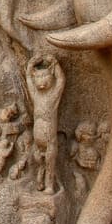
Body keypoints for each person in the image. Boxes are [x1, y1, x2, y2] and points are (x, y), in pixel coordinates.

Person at [25, 54, 66, 194]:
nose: (41, 80)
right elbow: (29, 79)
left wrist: (55, 63)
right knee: (38, 161)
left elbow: (61, 81)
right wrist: (30, 65)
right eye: (39, 77)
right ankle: (40, 182)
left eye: (45, 76)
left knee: (49, 163)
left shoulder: (53, 96)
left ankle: (50, 185)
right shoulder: (36, 96)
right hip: (37, 139)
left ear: (51, 77)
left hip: (49, 140)